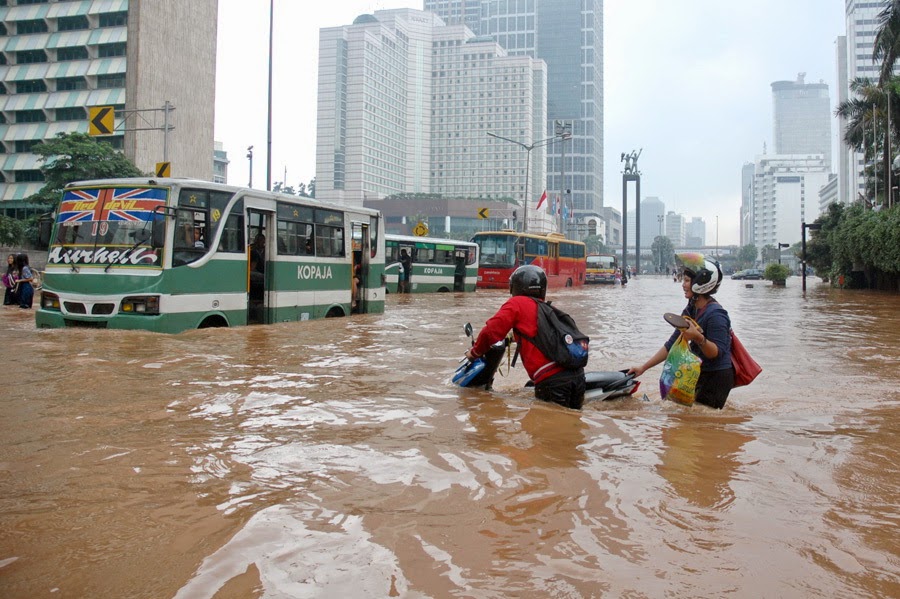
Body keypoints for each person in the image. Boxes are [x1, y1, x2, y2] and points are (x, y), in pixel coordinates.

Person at [465, 265, 586, 410]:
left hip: (552, 381)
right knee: (571, 421)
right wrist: (511, 338)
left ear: (515, 286)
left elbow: (490, 331)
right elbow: (536, 334)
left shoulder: (517, 303)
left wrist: (474, 352)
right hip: (578, 378)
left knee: (545, 424)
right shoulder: (546, 309)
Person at [628, 253, 734, 409]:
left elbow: (716, 353)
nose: (683, 285)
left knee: (700, 420)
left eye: (687, 281)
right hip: (698, 373)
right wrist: (643, 368)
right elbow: (672, 343)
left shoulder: (716, 315)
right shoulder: (692, 308)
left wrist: (698, 337)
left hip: (716, 377)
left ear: (701, 283)